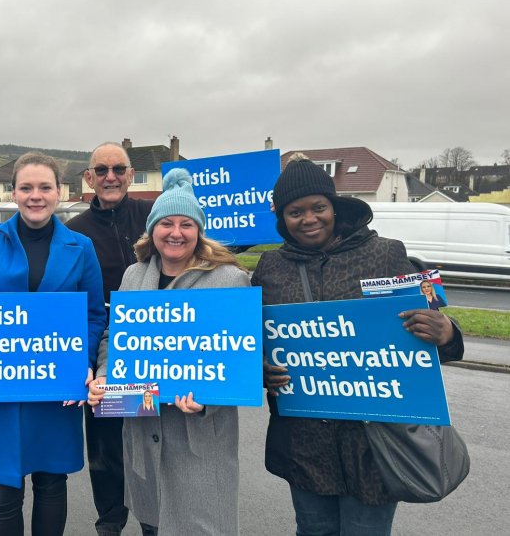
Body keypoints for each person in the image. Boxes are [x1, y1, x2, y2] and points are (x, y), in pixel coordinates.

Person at [252, 153, 465, 536]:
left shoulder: (387, 253)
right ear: (282, 219)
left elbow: (434, 329)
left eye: (318, 207)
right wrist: (258, 369)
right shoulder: (269, 267)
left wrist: (446, 332)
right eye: (295, 212)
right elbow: (251, 340)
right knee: (312, 531)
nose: (309, 219)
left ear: (335, 207)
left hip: (374, 442)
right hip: (305, 443)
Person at [0, 151, 107, 536]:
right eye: (26, 187)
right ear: (13, 193)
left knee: (51, 484)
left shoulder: (81, 247)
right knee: (0, 492)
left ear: (59, 193)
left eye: (45, 187)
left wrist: (83, 361)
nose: (36, 195)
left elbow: (94, 315)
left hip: (54, 384)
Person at [88, 168, 251, 536]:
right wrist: (102, 376)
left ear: (199, 231)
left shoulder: (229, 279)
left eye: (186, 224)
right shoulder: (133, 276)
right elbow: (115, 336)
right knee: (153, 524)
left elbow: (240, 356)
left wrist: (209, 400)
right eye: (166, 223)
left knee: (200, 526)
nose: (176, 232)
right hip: (144, 427)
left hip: (198, 436)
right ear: (152, 229)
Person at [65, 142, 155, 536]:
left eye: (118, 169)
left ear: (131, 175)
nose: (110, 177)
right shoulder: (73, 232)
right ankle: (110, 523)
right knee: (106, 444)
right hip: (101, 341)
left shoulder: (155, 217)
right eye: (101, 170)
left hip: (156, 341)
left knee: (152, 435)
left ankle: (154, 521)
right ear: (89, 178)